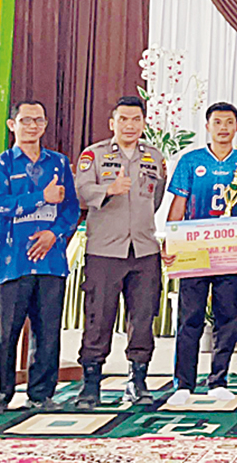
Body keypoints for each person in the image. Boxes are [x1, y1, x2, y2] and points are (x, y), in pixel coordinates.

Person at [0, 100, 79, 416]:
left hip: (51, 260)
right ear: (12, 125)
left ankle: (41, 394)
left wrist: (54, 235)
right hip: (13, 260)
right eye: (25, 120)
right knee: (6, 332)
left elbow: (71, 209)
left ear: (46, 124)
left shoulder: (59, 164)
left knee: (48, 331)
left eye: (39, 120)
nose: (32, 126)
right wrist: (41, 198)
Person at [72, 96, 168, 409]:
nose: (130, 125)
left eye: (136, 119)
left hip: (143, 249)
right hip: (105, 250)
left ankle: (137, 380)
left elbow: (155, 199)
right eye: (123, 119)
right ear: (113, 122)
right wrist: (107, 191)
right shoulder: (94, 155)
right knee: (99, 317)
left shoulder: (154, 157)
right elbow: (82, 190)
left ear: (143, 123)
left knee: (142, 317)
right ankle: (91, 383)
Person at [164, 102, 237, 406]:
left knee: (228, 316)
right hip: (194, 249)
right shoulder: (190, 161)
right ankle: (183, 384)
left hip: (231, 251)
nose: (223, 127)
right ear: (207, 126)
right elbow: (178, 205)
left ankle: (219, 380)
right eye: (217, 122)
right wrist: (171, 240)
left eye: (229, 122)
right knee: (190, 317)